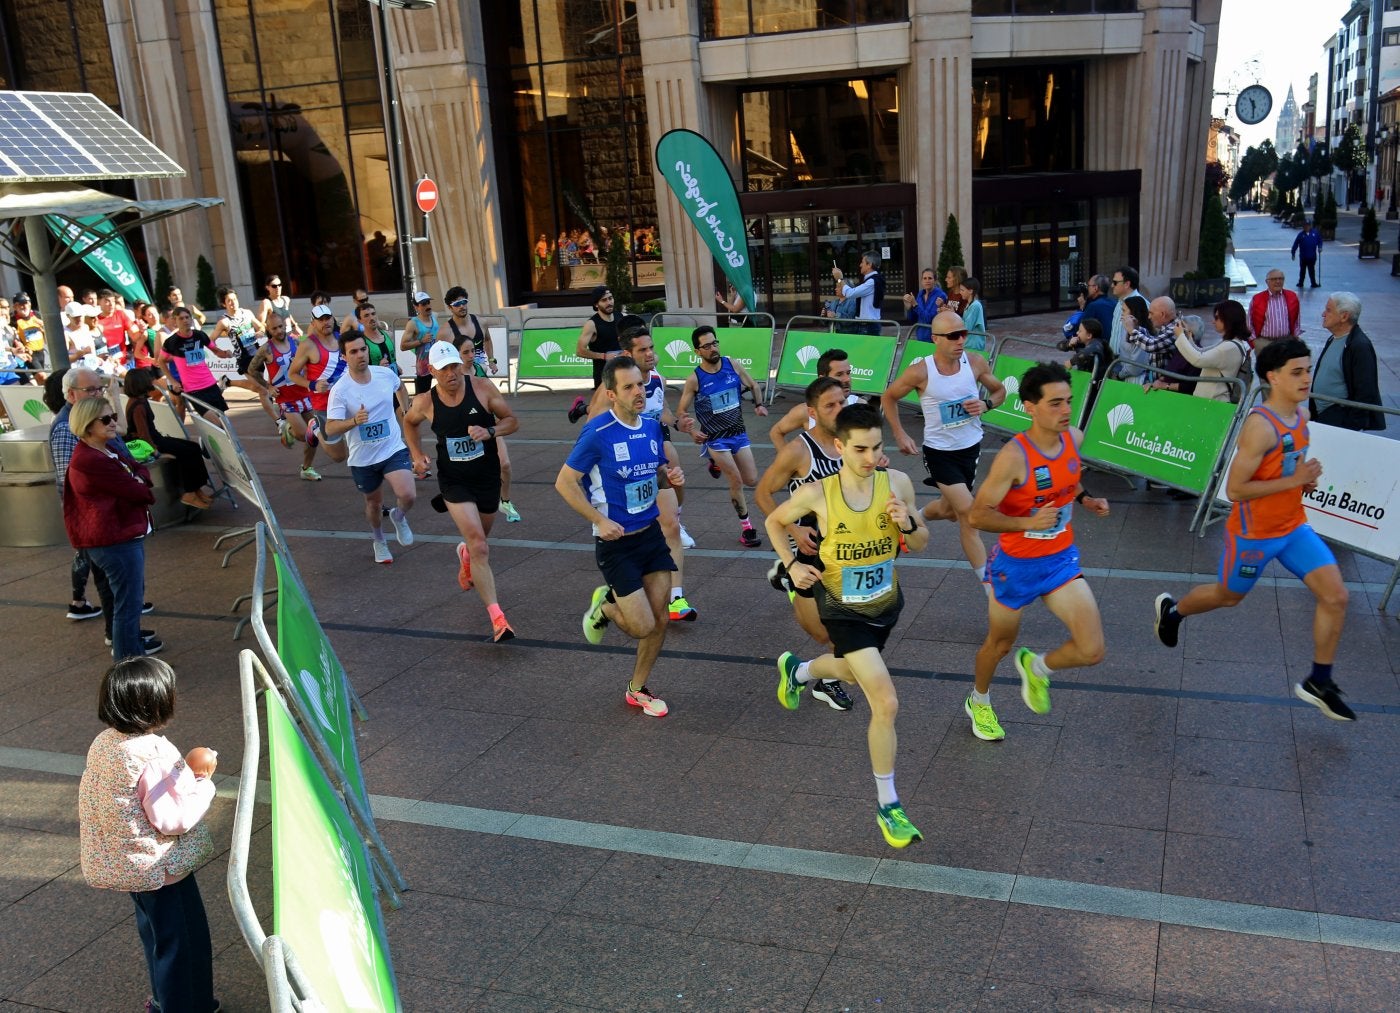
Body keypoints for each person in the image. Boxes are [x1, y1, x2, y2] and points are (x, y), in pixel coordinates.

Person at [1153, 338, 1356, 721]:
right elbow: (1235, 490)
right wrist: (1294, 478)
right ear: (1272, 377)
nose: (1306, 378)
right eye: (1296, 372)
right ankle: (1174, 611)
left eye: (1308, 369)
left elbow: (1287, 466)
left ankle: (1320, 681)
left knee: (1337, 596)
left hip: (1293, 527)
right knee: (1228, 596)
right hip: (1253, 536)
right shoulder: (1259, 427)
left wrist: (1301, 481)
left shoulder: (1302, 414)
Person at [765, 403, 929, 847]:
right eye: (860, 449)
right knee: (886, 702)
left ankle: (798, 672)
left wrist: (907, 522)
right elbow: (774, 520)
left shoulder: (897, 483)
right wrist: (792, 565)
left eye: (877, 447)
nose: (870, 457)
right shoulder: (819, 494)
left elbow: (921, 539)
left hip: (885, 604)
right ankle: (889, 804)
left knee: (851, 674)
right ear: (839, 447)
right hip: (840, 607)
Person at [966, 363, 1111, 741]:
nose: (1066, 411)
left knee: (1092, 650)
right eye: (1055, 404)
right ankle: (979, 701)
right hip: (1015, 566)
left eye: (1069, 402)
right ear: (1029, 407)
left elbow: (1068, 474)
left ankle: (1038, 668)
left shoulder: (1074, 438)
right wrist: (1027, 523)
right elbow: (978, 514)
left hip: (1060, 559)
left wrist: (1085, 498)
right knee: (999, 644)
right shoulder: (1014, 457)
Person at [79, 657, 218, 1013]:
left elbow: (137, 797)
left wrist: (182, 773)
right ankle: (186, 1007)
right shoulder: (152, 753)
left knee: (157, 937)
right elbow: (172, 819)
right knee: (184, 944)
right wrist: (203, 785)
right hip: (161, 869)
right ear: (156, 704)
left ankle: (162, 1001)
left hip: (130, 866)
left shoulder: (106, 742)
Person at [555, 355, 685, 719]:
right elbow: (564, 482)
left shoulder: (650, 426)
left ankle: (637, 688)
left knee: (660, 620)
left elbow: (652, 472)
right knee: (641, 625)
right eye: (628, 387)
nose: (638, 392)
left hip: (651, 537)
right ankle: (606, 607)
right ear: (611, 394)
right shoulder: (597, 433)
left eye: (640, 385)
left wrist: (668, 479)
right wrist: (598, 519)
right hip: (616, 545)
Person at [404, 342, 518, 641]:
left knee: (480, 538)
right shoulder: (425, 402)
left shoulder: (481, 388)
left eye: (454, 366)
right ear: (432, 371)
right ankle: (498, 618)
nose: (452, 373)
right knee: (481, 545)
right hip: (453, 480)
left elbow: (512, 420)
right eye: (444, 369)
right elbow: (409, 423)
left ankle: (465, 554)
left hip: (486, 475)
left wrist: (490, 431)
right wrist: (416, 454)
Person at [883, 309, 1004, 586]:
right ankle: (990, 589)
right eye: (952, 336)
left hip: (971, 449)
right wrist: (900, 434)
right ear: (936, 339)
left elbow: (1000, 392)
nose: (960, 340)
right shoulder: (920, 372)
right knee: (968, 514)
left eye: (963, 333)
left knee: (949, 510)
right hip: (939, 453)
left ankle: (916, 518)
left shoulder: (975, 362)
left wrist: (986, 404)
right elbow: (888, 397)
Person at [584, 325, 698, 618]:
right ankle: (610, 601)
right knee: (630, 537)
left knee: (671, 524)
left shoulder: (656, 379)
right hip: (622, 473)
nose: (651, 354)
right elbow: (593, 425)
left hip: (652, 464)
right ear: (628, 354)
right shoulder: (611, 390)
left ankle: (677, 599)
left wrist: (676, 424)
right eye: (642, 350)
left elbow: (661, 411)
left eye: (651, 348)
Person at [755, 377, 854, 710]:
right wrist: (794, 531)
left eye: (842, 402)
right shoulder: (799, 450)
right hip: (811, 553)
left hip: (848, 550)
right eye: (830, 405)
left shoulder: (851, 441)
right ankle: (789, 575)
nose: (839, 410)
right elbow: (762, 493)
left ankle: (825, 681)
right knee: (824, 635)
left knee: (850, 632)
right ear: (812, 412)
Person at [63, 397, 160, 660]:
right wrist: (139, 481)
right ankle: (129, 664)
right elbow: (140, 492)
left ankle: (129, 658)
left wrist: (139, 479)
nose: (113, 422)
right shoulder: (91, 460)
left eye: (113, 416)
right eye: (105, 419)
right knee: (127, 606)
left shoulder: (105, 450)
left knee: (126, 602)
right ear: (87, 424)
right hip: (114, 541)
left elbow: (140, 469)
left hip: (117, 538)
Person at [324, 331, 416, 564]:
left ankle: (398, 515)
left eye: (362, 349)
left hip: (391, 447)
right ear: (344, 357)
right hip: (363, 457)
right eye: (353, 352)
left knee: (407, 494)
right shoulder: (340, 390)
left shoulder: (384, 374)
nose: (360, 355)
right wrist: (354, 421)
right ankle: (379, 540)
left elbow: (400, 387)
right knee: (373, 504)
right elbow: (331, 428)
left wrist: (406, 411)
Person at [676, 324, 769, 547]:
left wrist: (758, 405)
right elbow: (681, 413)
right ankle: (747, 529)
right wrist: (691, 431)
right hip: (715, 439)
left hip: (738, 433)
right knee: (736, 480)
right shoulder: (694, 379)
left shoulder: (732, 364)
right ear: (697, 351)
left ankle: (714, 464)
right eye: (706, 346)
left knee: (751, 479)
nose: (712, 348)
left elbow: (754, 385)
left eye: (714, 343)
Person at [123, 368, 213, 509]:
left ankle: (196, 489)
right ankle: (189, 492)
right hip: (153, 442)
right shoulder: (138, 405)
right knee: (187, 452)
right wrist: (157, 453)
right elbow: (143, 435)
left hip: (155, 438)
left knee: (193, 447)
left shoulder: (139, 400)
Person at [246, 312, 323, 475]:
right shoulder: (266, 349)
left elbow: (312, 355)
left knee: (314, 435)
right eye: (274, 328)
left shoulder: (296, 341)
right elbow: (251, 370)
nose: (279, 331)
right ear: (268, 329)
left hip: (304, 394)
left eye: (281, 326)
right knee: (303, 435)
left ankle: (306, 468)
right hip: (286, 399)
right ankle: (287, 429)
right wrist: (268, 387)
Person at [286, 304, 352, 479]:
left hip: (349, 399)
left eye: (328, 318)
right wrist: (312, 385)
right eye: (320, 320)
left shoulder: (342, 339)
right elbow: (292, 374)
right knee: (338, 456)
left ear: (333, 318)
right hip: (325, 405)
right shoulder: (308, 345)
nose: (325, 322)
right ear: (313, 323)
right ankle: (314, 427)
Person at [1310, 292, 1385, 431]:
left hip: (1340, 419)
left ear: (1344, 316)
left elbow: (1365, 391)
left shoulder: (1359, 346)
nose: (1323, 314)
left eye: (1328, 310)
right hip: (1325, 416)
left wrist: (1350, 426)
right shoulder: (1334, 338)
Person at [767, 347, 861, 446]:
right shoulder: (805, 411)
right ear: (822, 379)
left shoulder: (860, 407)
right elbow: (776, 432)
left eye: (848, 373)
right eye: (839, 374)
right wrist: (787, 458)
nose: (847, 379)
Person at [208, 286, 271, 416]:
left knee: (258, 387)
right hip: (244, 359)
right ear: (223, 304)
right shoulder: (224, 322)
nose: (233, 303)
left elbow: (261, 326)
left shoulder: (247, 313)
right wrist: (221, 352)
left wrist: (259, 332)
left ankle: (228, 381)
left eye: (235, 299)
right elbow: (211, 340)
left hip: (258, 354)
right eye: (229, 301)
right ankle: (278, 420)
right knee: (263, 390)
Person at [160, 307, 232, 418]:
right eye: (181, 318)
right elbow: (161, 361)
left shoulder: (200, 335)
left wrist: (226, 353)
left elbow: (217, 351)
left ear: (191, 319)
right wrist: (173, 381)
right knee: (215, 422)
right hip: (194, 390)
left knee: (222, 419)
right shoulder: (171, 342)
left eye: (187, 317)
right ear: (175, 321)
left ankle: (211, 436)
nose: (185, 321)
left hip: (211, 384)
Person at [1174, 300, 1251, 403]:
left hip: (1214, 401)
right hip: (1213, 400)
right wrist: (1188, 337)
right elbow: (1201, 352)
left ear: (1228, 319)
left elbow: (1198, 359)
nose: (1213, 322)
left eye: (1217, 318)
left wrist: (1180, 336)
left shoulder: (1229, 347)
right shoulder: (1232, 343)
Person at [570, 285, 620, 420]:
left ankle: (581, 408)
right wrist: (603, 356)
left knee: (619, 407)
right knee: (603, 411)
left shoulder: (621, 317)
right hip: (603, 374)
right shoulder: (592, 324)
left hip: (622, 370)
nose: (609, 302)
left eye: (610, 298)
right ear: (596, 304)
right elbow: (580, 351)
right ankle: (586, 427)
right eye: (604, 300)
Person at [354, 302, 410, 413]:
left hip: (396, 385)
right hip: (376, 390)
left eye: (373, 314)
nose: (371, 318)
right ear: (359, 320)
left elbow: (391, 356)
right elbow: (357, 370)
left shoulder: (388, 335)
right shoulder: (361, 343)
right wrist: (378, 368)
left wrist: (395, 365)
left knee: (407, 417)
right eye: (366, 315)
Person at [444, 285, 499, 375]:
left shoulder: (481, 322)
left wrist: (491, 360)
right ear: (450, 308)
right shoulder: (445, 331)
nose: (461, 306)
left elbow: (487, 340)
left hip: (480, 373)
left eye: (464, 302)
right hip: (461, 378)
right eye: (457, 304)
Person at [1248, 269, 1301, 360]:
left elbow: (1297, 320)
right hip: (1264, 343)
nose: (1278, 281)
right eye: (1274, 279)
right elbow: (1249, 322)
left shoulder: (1292, 296)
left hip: (1286, 342)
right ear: (1267, 282)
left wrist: (1295, 337)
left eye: (1281, 279)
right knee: (1266, 372)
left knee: (1284, 372)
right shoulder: (1257, 299)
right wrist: (1255, 341)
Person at [399, 291, 441, 396]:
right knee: (423, 396)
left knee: (442, 392)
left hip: (438, 362)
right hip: (424, 366)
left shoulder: (435, 316)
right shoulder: (412, 324)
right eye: (423, 304)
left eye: (428, 302)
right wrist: (421, 341)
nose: (427, 306)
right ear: (416, 307)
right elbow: (403, 346)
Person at [831, 251, 885, 330]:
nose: (860, 265)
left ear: (869, 264)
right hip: (867, 324)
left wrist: (840, 279)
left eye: (862, 262)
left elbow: (850, 293)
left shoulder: (872, 281)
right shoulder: (872, 280)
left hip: (869, 326)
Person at [1062, 317, 1111, 384]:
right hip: (1086, 381)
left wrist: (1071, 362)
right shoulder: (1082, 342)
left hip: (1097, 384)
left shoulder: (1097, 343)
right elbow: (1060, 346)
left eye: (1080, 331)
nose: (1077, 333)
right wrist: (1069, 344)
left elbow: (1088, 352)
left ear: (1089, 335)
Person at [1107, 266, 1142, 359]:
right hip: (1114, 359)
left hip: (1128, 363)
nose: (1112, 285)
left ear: (1127, 284)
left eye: (1115, 282)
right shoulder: (1119, 303)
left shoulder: (1141, 304)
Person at [903, 267, 947, 341]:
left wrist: (915, 305)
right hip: (920, 337)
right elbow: (913, 319)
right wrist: (909, 308)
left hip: (934, 339)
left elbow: (929, 319)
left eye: (930, 278)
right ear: (921, 281)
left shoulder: (940, 295)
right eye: (925, 278)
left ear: (935, 281)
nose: (927, 281)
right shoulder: (920, 294)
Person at [957, 276, 987, 352]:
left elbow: (967, 326)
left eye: (962, 290)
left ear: (970, 291)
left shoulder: (975, 306)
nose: (960, 292)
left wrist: (954, 316)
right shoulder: (969, 304)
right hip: (968, 343)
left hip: (974, 345)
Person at [1292, 219, 1323, 288]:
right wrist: (1293, 253)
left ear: (1310, 226)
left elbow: (1320, 240)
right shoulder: (1301, 235)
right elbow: (1295, 244)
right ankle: (1301, 283)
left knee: (1311, 270)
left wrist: (1320, 247)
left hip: (1312, 256)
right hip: (1303, 256)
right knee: (1302, 270)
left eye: (1308, 225)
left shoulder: (1315, 233)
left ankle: (1313, 283)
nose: (1306, 227)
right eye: (1305, 225)